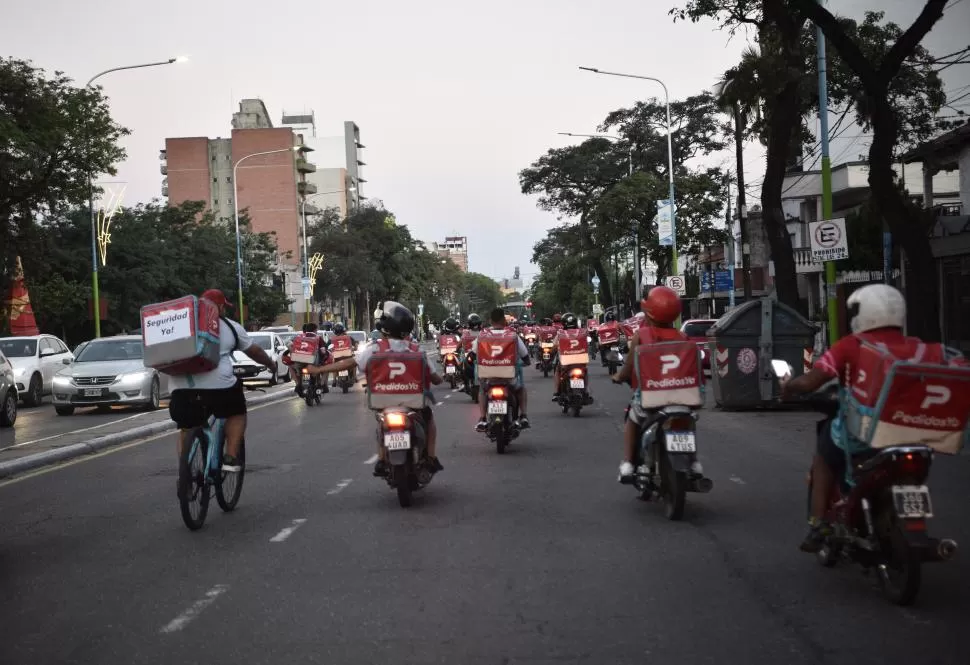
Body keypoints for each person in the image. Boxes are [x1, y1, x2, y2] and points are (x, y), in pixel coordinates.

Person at [781, 283, 967, 553]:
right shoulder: (920, 348)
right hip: (918, 437)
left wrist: (789, 386)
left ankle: (818, 523)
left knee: (823, 455)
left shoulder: (851, 346)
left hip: (867, 436)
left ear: (861, 314)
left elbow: (811, 382)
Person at [309, 301, 444, 477]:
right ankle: (431, 457)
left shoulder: (374, 349)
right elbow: (436, 378)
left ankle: (381, 459)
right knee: (429, 420)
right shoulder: (416, 350)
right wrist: (437, 380)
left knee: (381, 425)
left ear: (385, 328)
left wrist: (319, 370)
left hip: (385, 403)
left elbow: (349, 362)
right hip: (413, 405)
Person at [168, 289, 276, 473]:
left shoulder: (179, 325)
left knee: (187, 427)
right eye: (223, 306)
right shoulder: (230, 326)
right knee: (237, 412)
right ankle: (231, 458)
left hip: (180, 388)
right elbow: (255, 352)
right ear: (218, 306)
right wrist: (271, 365)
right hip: (220, 388)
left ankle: (185, 473)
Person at [612, 286, 692, 480]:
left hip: (650, 397)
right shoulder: (682, 337)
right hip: (682, 396)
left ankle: (629, 463)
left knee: (632, 419)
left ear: (648, 311)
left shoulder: (642, 336)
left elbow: (629, 366)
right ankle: (694, 462)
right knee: (687, 422)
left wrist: (619, 377)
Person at [475, 307, 531, 432]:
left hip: (489, 378)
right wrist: (526, 362)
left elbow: (473, 354)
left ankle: (483, 418)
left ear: (490, 321)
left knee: (482, 391)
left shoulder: (482, 336)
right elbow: (525, 356)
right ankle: (523, 416)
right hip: (509, 379)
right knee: (521, 389)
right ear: (504, 320)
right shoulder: (512, 336)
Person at [287, 322, 328, 395]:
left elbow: (290, 345)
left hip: (299, 360)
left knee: (290, 367)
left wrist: (291, 352)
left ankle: (297, 384)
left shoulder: (299, 337)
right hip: (312, 362)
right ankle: (322, 384)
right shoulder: (318, 338)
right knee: (326, 368)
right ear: (315, 330)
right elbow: (323, 350)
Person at [552, 312, 584, 399]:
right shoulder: (582, 332)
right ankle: (586, 390)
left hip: (565, 362)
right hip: (580, 361)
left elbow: (554, 346)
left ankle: (556, 392)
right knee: (585, 372)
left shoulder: (560, 333)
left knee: (557, 372)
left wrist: (553, 350)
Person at [327, 323, 355, 387]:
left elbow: (327, 347)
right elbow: (355, 346)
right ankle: (355, 377)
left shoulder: (332, 339)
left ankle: (334, 380)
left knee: (333, 365)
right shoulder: (348, 337)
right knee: (354, 364)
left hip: (337, 356)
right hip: (347, 356)